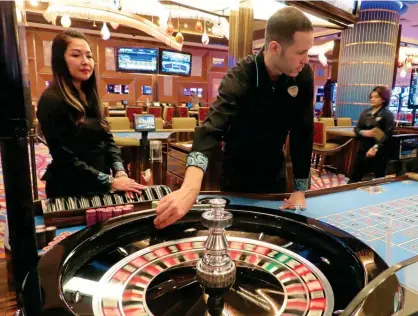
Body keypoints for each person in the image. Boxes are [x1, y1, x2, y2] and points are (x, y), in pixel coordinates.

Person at [155, 7, 315, 229]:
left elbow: (303, 132)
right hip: (236, 177)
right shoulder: (240, 76)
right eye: (300, 52)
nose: (306, 60)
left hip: (275, 176)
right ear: (275, 48)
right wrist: (190, 187)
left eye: (308, 52)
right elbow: (212, 128)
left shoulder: (303, 76)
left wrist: (299, 190)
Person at [37, 30, 144, 198]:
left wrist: (120, 172)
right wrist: (110, 181)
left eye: (89, 56)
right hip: (70, 188)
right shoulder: (51, 99)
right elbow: (64, 157)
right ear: (60, 59)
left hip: (100, 184)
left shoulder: (90, 95)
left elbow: (107, 138)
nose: (85, 62)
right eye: (76, 55)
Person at [348, 86, 395, 183]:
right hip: (363, 149)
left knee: (378, 180)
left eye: (376, 97)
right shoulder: (366, 112)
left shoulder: (387, 114)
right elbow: (357, 129)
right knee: (354, 177)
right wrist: (364, 132)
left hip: (379, 151)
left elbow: (388, 135)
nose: (373, 99)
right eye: (371, 97)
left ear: (383, 98)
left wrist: (375, 148)